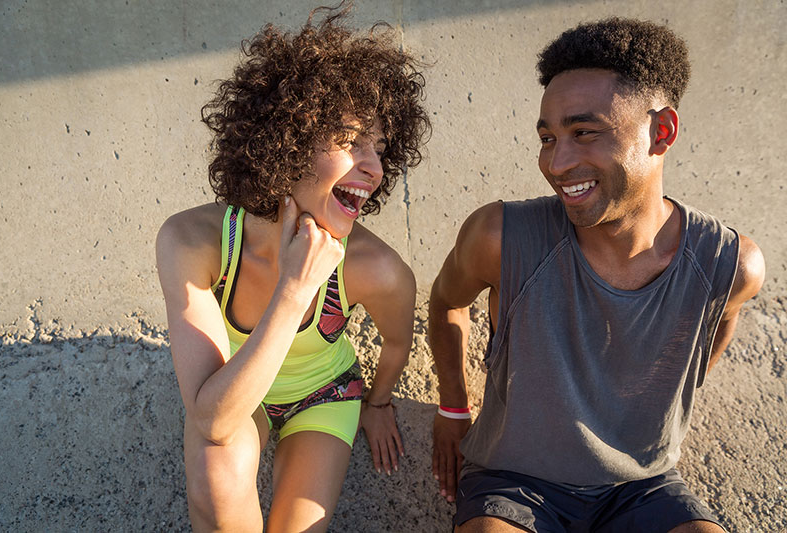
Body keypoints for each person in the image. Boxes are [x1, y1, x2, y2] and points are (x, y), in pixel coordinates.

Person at [429, 18, 765, 533]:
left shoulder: (728, 265)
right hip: (513, 483)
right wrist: (453, 408)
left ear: (662, 132)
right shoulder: (499, 235)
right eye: (548, 137)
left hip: (642, 487)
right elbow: (446, 301)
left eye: (584, 132)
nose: (558, 162)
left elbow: (705, 347)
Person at [156, 5, 429, 531]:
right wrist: (294, 288)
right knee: (216, 469)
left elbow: (396, 345)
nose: (372, 167)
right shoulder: (194, 241)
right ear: (287, 139)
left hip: (323, 397)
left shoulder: (378, 269)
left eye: (380, 148)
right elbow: (213, 420)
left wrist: (378, 403)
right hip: (234, 394)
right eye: (352, 142)